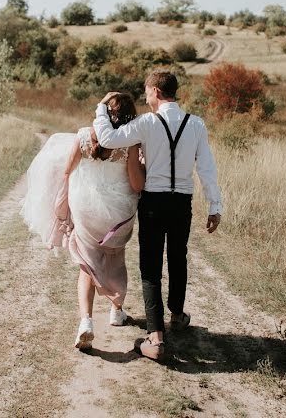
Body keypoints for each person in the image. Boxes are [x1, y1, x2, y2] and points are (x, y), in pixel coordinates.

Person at [94, 70, 223, 361]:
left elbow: (107, 137)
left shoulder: (146, 123)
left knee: (151, 267)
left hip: (153, 201)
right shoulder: (196, 124)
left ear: (155, 91)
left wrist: (102, 108)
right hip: (182, 203)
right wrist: (215, 205)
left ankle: (155, 336)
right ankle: (176, 315)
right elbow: (207, 168)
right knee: (178, 257)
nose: (145, 96)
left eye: (146, 91)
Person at [22, 93, 145, 350]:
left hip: (86, 210)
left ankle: (86, 322)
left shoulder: (83, 137)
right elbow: (136, 184)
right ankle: (116, 311)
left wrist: (63, 205)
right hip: (117, 214)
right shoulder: (130, 144)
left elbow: (67, 172)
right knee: (114, 258)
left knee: (86, 266)